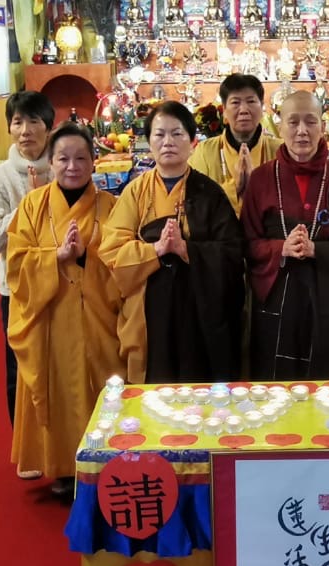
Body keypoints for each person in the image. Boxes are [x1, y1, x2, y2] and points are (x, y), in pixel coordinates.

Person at [6, 124, 123, 495]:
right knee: (55, 387)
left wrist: (87, 256)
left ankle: (105, 462)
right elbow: (16, 263)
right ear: (50, 162)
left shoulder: (111, 207)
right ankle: (61, 467)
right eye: (63, 158)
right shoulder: (32, 206)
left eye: (81, 158)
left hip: (99, 318)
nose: (72, 167)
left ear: (94, 161)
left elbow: (123, 262)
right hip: (51, 317)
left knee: (101, 386)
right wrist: (55, 257)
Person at [100, 102, 246, 384]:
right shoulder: (135, 192)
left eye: (177, 134)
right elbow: (111, 251)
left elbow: (232, 254)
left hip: (198, 314)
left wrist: (186, 249)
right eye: (159, 134)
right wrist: (155, 250)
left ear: (192, 142)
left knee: (198, 386)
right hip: (148, 314)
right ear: (149, 142)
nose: (168, 142)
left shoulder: (210, 194)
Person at [241, 91, 329, 381]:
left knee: (328, 381)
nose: (302, 131)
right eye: (293, 122)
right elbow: (246, 243)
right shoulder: (261, 179)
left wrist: (318, 250)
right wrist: (281, 248)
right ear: (280, 126)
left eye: (310, 122)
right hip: (276, 298)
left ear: (322, 127)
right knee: (275, 382)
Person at [0, 91, 53, 437]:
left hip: (62, 282)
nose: (25, 131)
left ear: (48, 127)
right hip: (16, 288)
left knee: (59, 364)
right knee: (19, 368)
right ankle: (25, 443)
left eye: (33, 121)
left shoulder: (65, 166)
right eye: (17, 122)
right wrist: (30, 206)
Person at [189, 74, 282, 215]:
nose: (243, 110)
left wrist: (254, 187)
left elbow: (289, 202)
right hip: (219, 229)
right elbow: (194, 204)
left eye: (251, 101)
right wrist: (234, 187)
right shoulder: (205, 151)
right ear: (224, 110)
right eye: (235, 102)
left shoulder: (280, 150)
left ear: (262, 107)